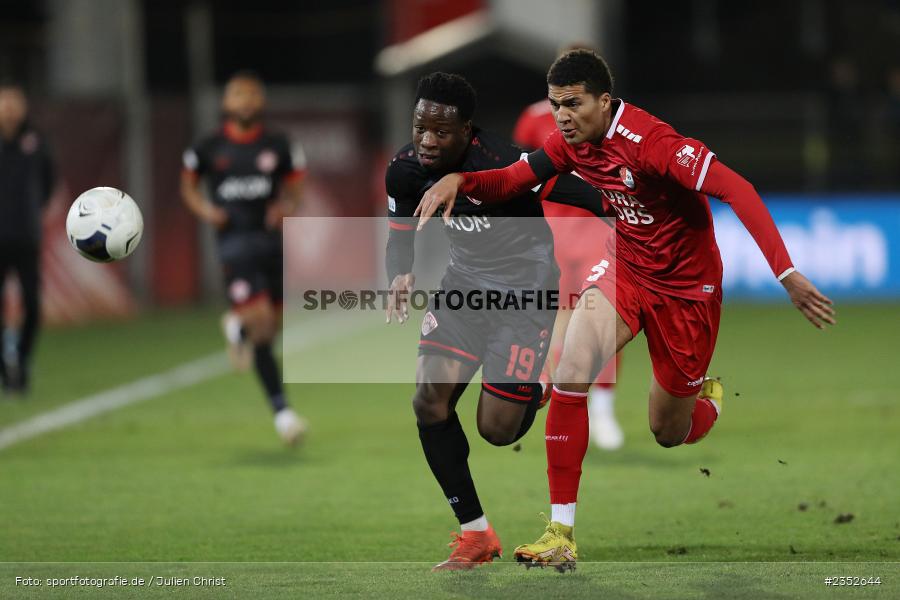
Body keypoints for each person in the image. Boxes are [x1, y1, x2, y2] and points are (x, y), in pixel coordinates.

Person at [415, 50, 835, 570]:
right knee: (572, 369)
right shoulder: (568, 143)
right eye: (555, 104)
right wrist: (462, 181)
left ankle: (706, 401)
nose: (562, 116)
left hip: (687, 290)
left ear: (604, 101)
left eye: (573, 104)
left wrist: (787, 273)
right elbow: (514, 179)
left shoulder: (655, 144)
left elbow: (738, 189)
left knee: (668, 430)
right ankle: (560, 534)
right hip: (626, 269)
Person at [385, 72, 609, 572]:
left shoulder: (503, 162)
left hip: (525, 291)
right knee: (428, 400)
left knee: (497, 430)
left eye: (441, 131)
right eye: (420, 127)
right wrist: (399, 272)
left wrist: (637, 211)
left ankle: (535, 386)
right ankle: (475, 533)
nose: (426, 140)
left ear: (467, 131)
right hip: (464, 286)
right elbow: (398, 234)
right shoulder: (404, 169)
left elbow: (583, 193)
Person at [181, 70, 307, 445]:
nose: (245, 101)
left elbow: (297, 188)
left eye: (252, 94)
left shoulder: (279, 145)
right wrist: (207, 211)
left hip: (270, 244)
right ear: (226, 102)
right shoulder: (208, 147)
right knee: (262, 325)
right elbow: (188, 187)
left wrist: (287, 207)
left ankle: (237, 329)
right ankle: (283, 414)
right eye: (238, 94)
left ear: (261, 101)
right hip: (234, 245)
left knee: (269, 330)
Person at [513, 45, 624, 451]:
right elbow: (520, 174)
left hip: (598, 230)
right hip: (551, 233)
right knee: (556, 319)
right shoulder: (533, 118)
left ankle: (603, 410)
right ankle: (559, 399)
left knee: (603, 317)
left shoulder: (609, 119)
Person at [0, 82, 55, 396]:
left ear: (23, 107)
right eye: (4, 102)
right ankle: (4, 372)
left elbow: (49, 182)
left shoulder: (36, 142)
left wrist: (31, 212)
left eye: (14, 102)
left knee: (32, 306)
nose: (9, 108)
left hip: (26, 237)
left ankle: (21, 361)